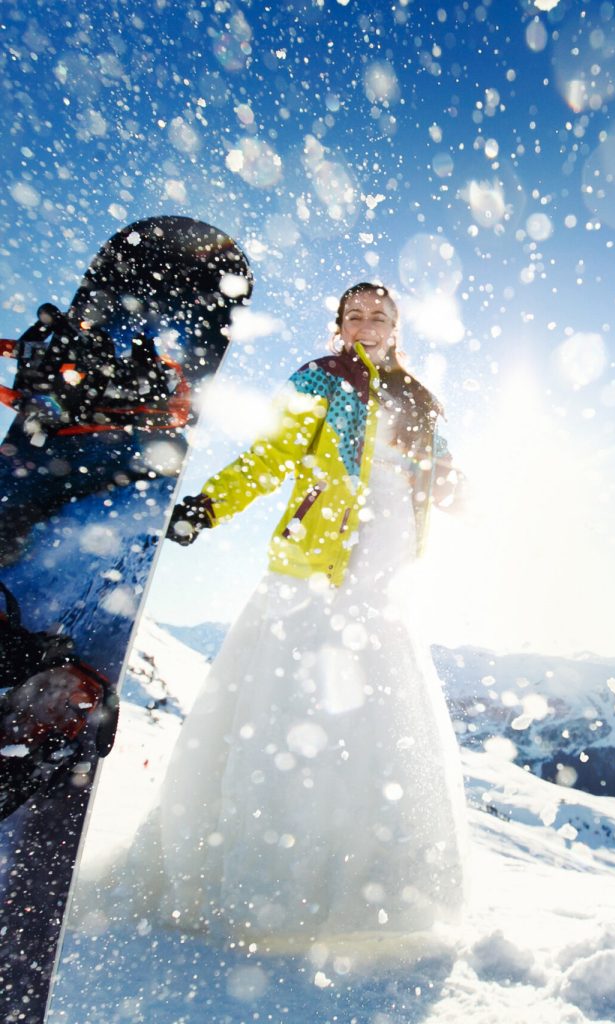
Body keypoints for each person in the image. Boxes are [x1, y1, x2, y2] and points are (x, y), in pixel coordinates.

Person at [143, 282, 467, 952]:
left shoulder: (419, 397)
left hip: (385, 574)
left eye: (379, 316)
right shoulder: (320, 379)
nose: (367, 325)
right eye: (355, 316)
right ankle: (271, 886)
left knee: (371, 730)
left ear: (397, 327)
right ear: (339, 326)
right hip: (315, 568)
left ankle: (364, 890)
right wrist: (212, 504)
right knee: (290, 721)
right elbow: (272, 454)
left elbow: (442, 473)